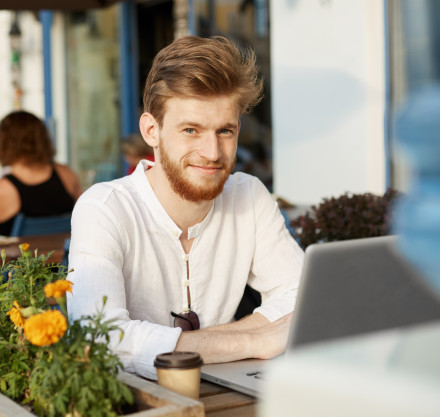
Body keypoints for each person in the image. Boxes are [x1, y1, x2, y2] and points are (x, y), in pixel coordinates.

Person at [67, 36, 304, 379]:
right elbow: (99, 336)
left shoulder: (249, 195)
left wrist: (199, 343)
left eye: (225, 130)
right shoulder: (104, 208)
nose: (212, 151)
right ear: (152, 130)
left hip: (228, 393)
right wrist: (253, 342)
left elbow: (301, 296)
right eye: (191, 130)